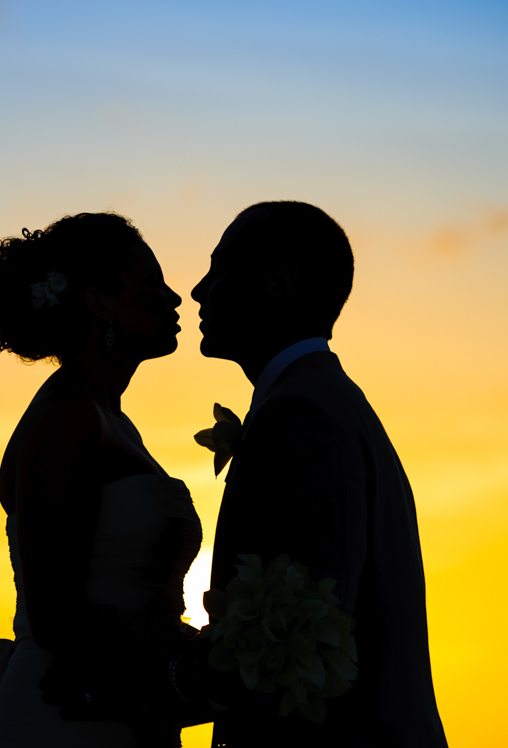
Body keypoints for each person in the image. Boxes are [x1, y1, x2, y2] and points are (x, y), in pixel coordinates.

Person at [190, 201, 448, 747]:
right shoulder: (321, 399)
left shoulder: (302, 414)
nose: (197, 290)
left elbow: (301, 647)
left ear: (278, 282)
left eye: (219, 269)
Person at [0, 212, 202, 748]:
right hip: (60, 717)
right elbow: (55, 616)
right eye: (151, 283)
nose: (174, 298)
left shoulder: (108, 418)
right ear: (98, 303)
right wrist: (200, 664)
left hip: (119, 706)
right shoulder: (65, 416)